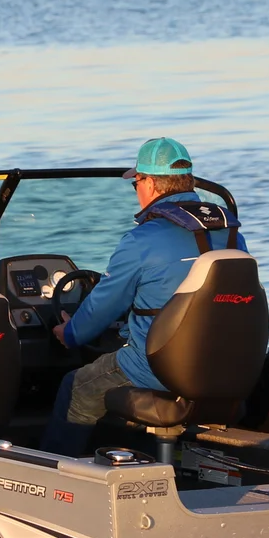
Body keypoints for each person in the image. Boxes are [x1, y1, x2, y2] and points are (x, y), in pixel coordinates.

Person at [36, 138, 248, 457]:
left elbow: (101, 308)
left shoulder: (143, 239)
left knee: (76, 387)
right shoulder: (232, 233)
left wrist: (68, 333)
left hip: (158, 368)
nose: (136, 191)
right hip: (227, 366)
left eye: (136, 182)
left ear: (148, 182)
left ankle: (56, 482)